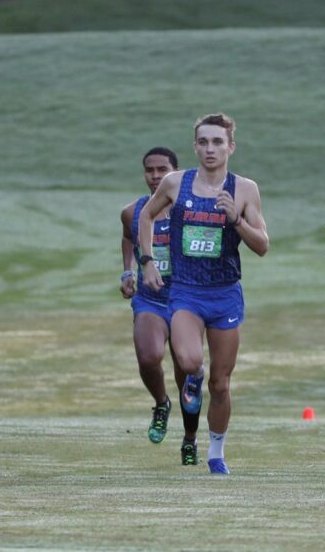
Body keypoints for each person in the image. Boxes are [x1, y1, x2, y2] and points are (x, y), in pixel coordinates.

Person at [137, 114, 268, 475]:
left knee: (221, 384)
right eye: (204, 142)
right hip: (187, 293)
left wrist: (236, 221)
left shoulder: (244, 190)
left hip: (225, 294)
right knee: (191, 362)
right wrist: (147, 261)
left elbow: (263, 246)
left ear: (230, 147)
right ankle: (192, 378)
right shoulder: (175, 183)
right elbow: (145, 218)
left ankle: (216, 452)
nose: (210, 149)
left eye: (218, 142)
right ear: (195, 146)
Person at [119, 146, 201, 465]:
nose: (155, 176)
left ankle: (190, 439)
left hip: (186, 301)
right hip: (150, 300)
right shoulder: (134, 211)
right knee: (148, 356)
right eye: (149, 170)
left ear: (176, 172)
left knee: (187, 373)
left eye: (162, 169)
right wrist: (128, 270)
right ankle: (160, 403)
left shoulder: (191, 209)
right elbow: (128, 236)